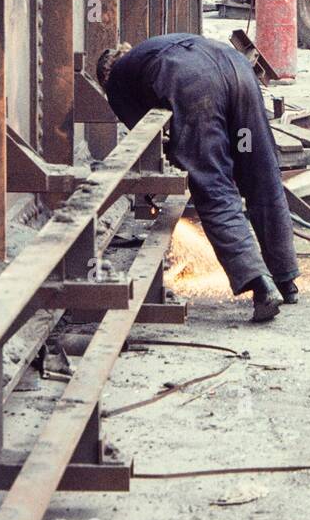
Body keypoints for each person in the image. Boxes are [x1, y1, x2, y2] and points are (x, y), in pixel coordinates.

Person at [97, 34, 299, 322]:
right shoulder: (150, 49)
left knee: (212, 187)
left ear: (105, 76)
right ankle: (286, 278)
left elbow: (146, 138)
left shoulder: (117, 81)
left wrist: (171, 170)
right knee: (260, 172)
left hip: (193, 83)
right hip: (237, 70)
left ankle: (260, 285)